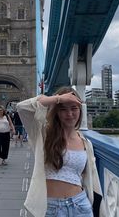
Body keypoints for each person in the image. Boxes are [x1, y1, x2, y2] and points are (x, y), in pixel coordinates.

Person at [17, 86, 105, 217]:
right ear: (56, 112)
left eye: (74, 108)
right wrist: (58, 98)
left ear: (80, 111)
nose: (69, 114)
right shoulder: (43, 134)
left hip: (80, 206)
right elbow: (22, 107)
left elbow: (92, 181)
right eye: (63, 109)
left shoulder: (86, 143)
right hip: (51, 208)